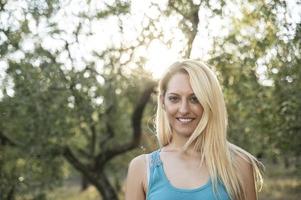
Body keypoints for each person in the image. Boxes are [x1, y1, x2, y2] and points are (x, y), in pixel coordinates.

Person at [125, 60, 263, 200]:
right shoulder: (142, 168)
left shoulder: (240, 164)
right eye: (174, 98)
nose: (184, 110)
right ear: (162, 102)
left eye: (194, 99)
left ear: (209, 102)